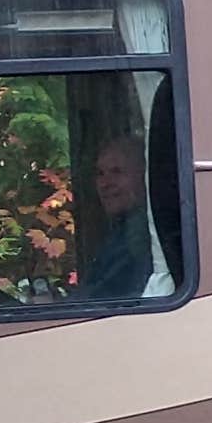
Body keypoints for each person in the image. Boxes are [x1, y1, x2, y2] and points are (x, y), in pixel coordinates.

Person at [76, 120, 169, 299]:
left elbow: (103, 299)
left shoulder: (143, 234)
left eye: (117, 172)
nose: (105, 183)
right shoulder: (122, 229)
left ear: (144, 174)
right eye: (100, 173)